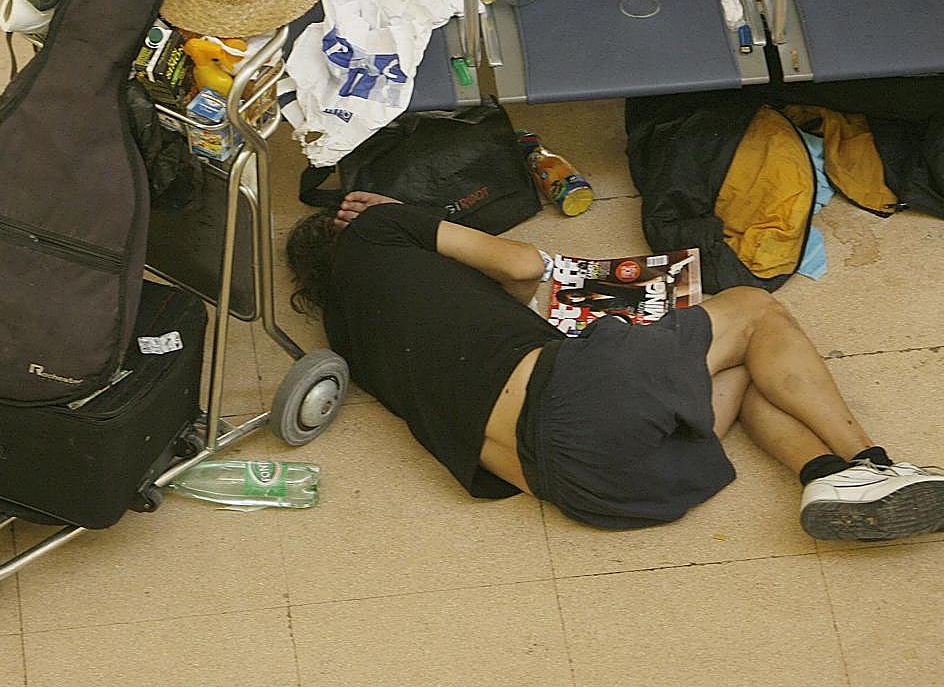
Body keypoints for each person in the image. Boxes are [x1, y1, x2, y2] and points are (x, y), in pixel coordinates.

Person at [286, 191, 944, 538]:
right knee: (755, 312)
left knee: (737, 371)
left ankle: (825, 476)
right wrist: (399, 212)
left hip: (592, 492)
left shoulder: (350, 341)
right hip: (576, 401)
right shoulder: (374, 230)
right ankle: (874, 461)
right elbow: (523, 265)